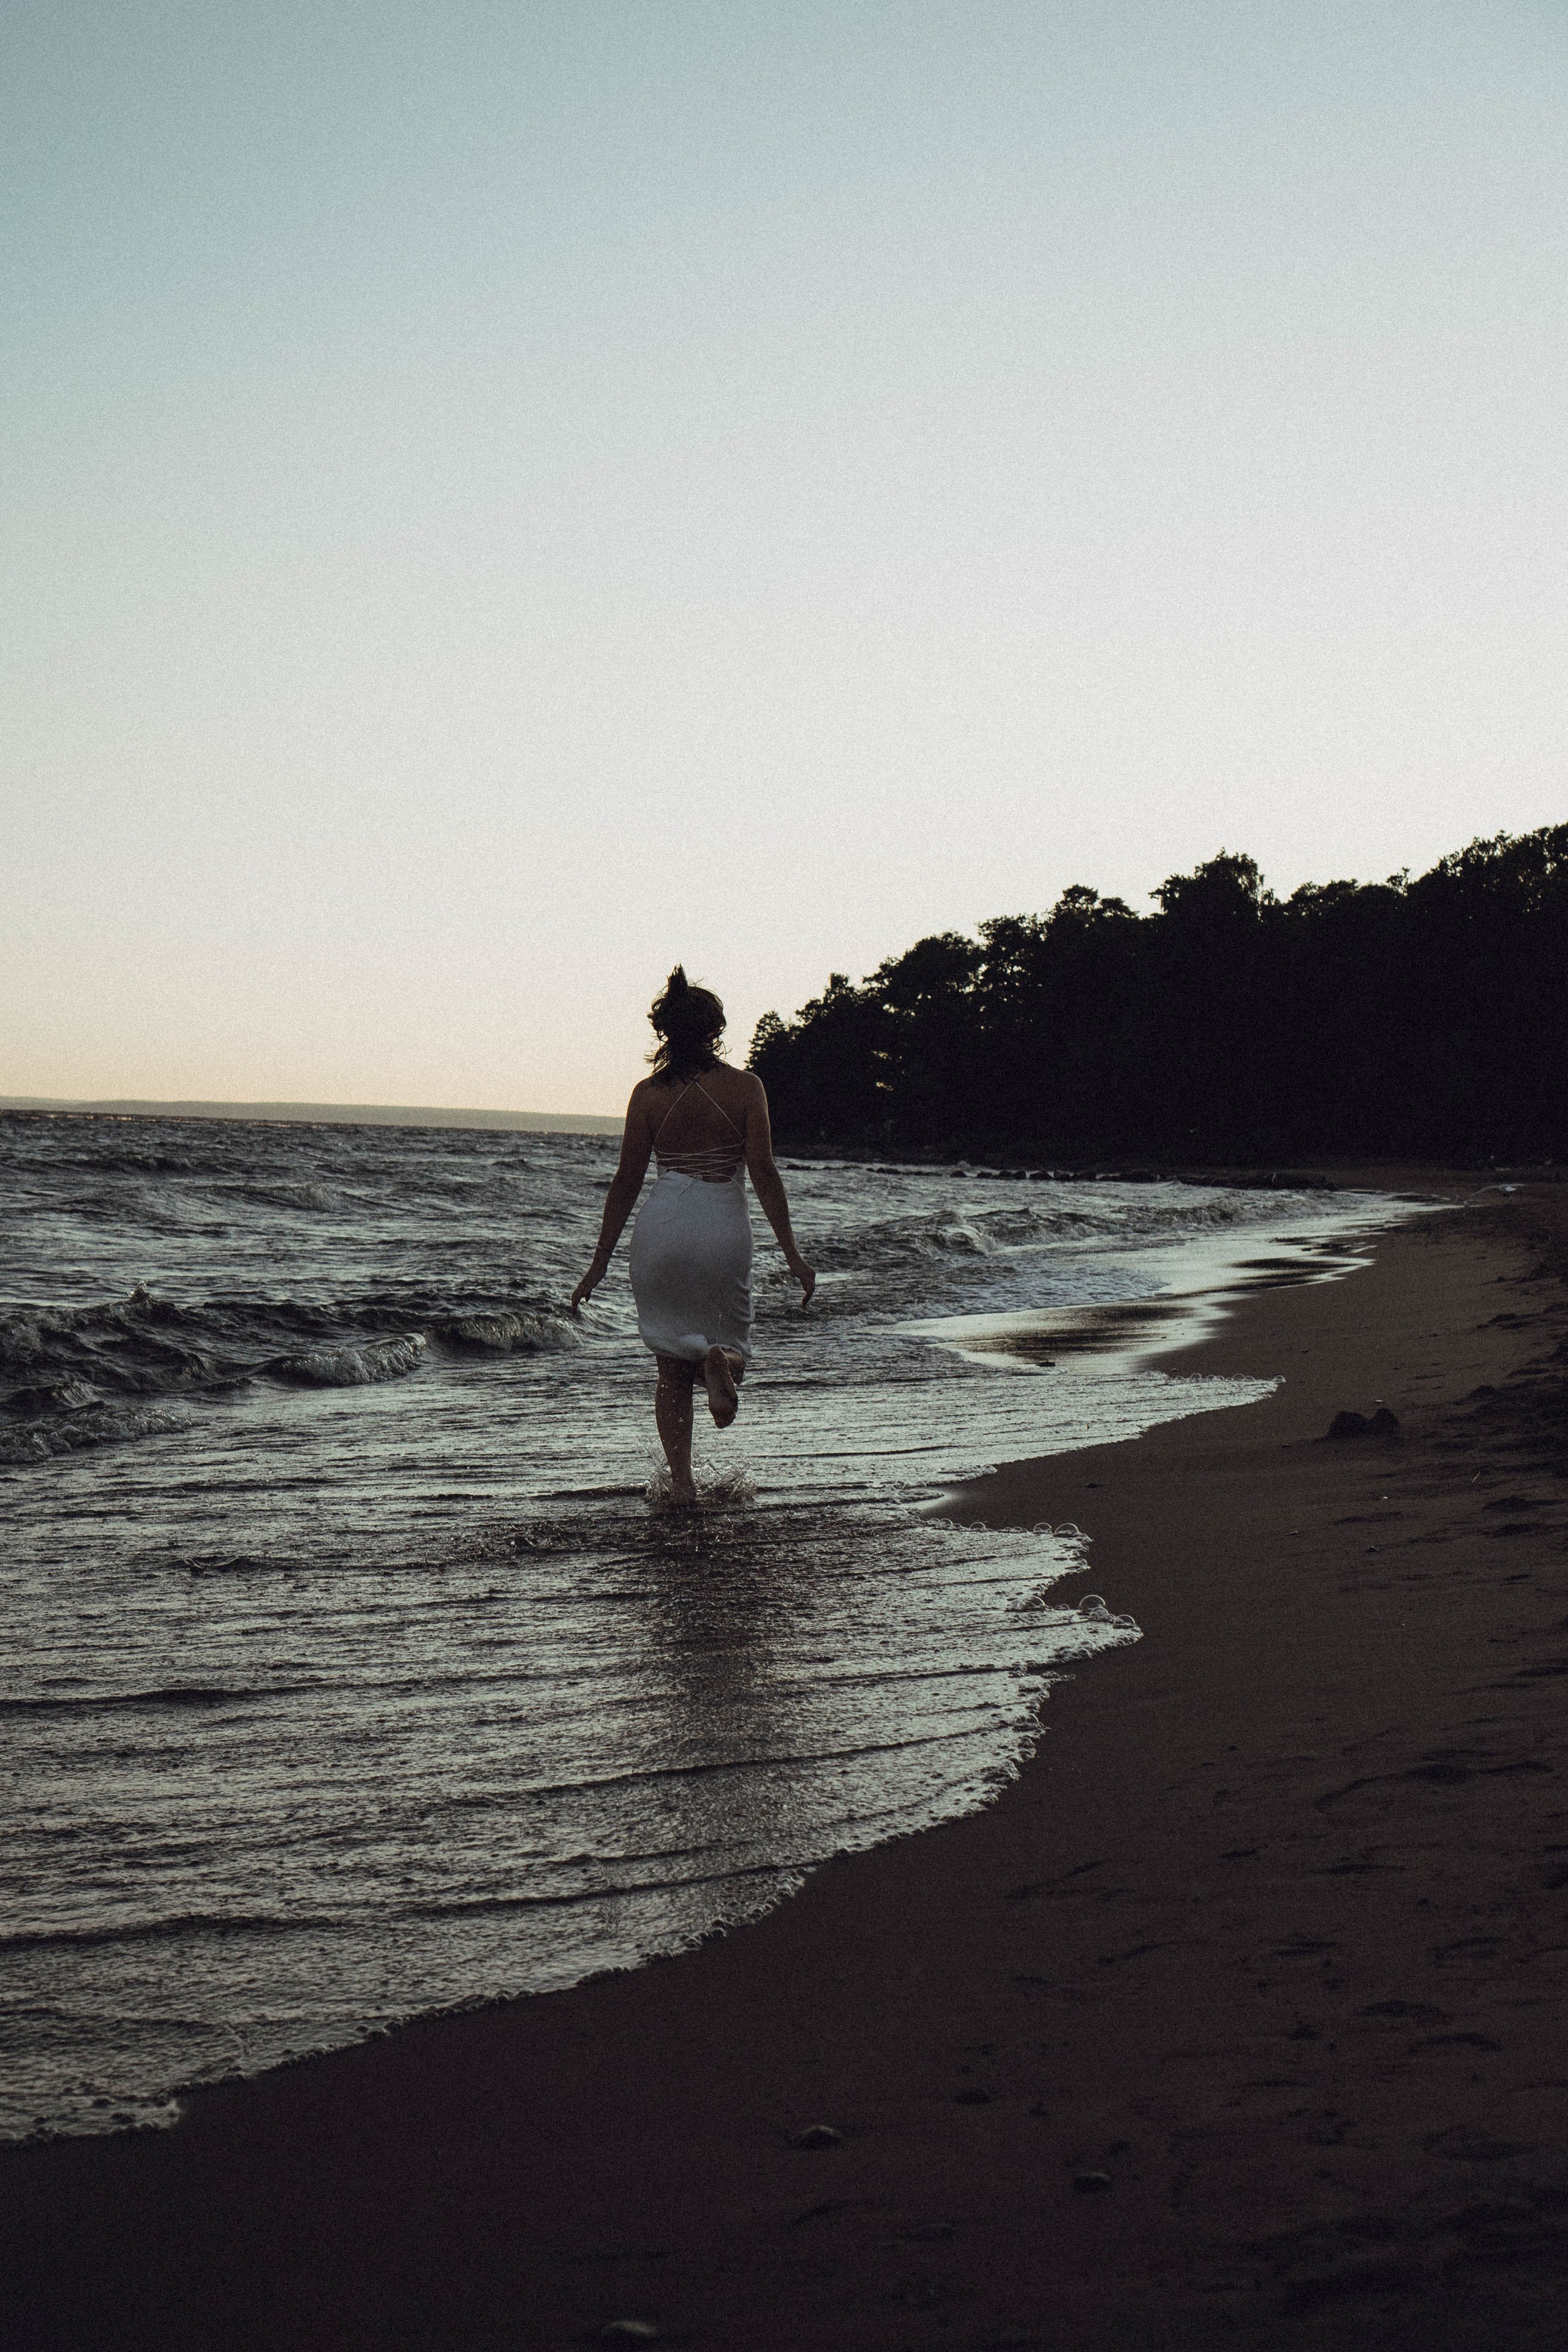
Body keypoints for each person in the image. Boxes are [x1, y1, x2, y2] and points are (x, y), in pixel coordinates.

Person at [570, 967, 815, 1504]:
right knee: (731, 1342)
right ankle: (722, 1364)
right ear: (716, 1029)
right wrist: (793, 1254)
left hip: (660, 1230)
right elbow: (764, 1172)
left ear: (665, 1032)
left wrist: (599, 1263)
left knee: (668, 1366)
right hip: (720, 1228)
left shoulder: (646, 1095)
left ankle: (681, 1486)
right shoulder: (746, 1087)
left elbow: (627, 1180)